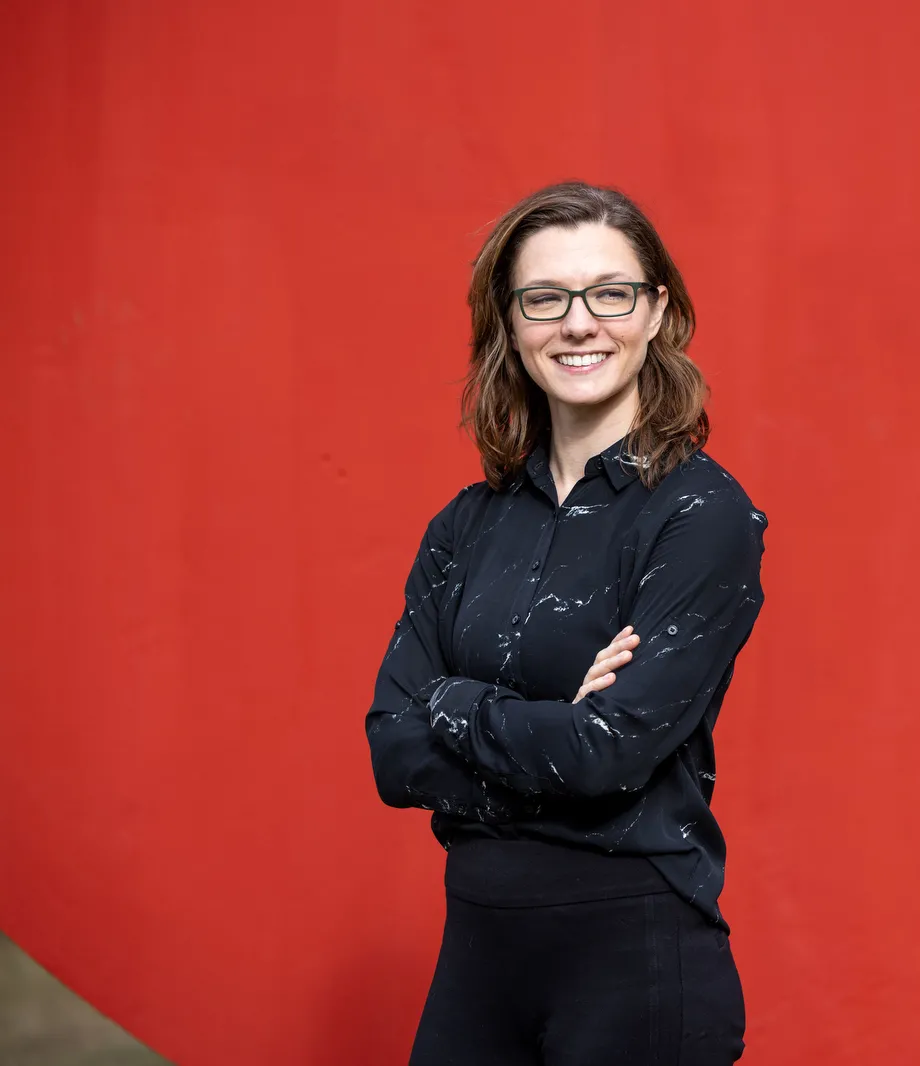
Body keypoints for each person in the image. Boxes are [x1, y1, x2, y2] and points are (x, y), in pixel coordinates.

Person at [364, 181, 766, 1065]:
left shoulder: (701, 516)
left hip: (635, 960)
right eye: (545, 299)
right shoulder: (464, 526)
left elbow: (605, 753)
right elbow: (393, 750)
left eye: (610, 294)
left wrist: (455, 701)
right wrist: (553, 734)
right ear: (510, 323)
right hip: (476, 957)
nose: (579, 324)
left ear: (657, 311)